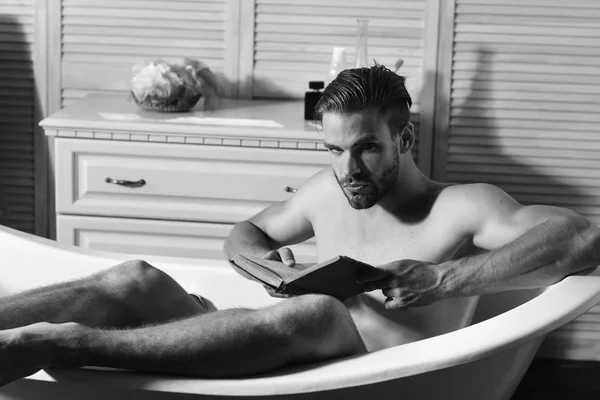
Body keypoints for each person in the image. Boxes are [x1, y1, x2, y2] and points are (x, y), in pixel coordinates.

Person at [0, 66, 599, 386]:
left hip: (367, 376)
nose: (346, 169)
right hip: (271, 350)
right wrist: (263, 266)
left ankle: (57, 343)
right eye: (333, 150)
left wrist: (444, 279)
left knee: (318, 313)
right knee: (132, 279)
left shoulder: (463, 206)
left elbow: (582, 238)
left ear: (405, 139)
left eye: (365, 148)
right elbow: (245, 234)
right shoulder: (326, 189)